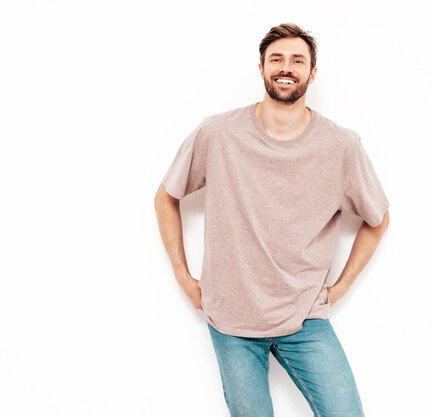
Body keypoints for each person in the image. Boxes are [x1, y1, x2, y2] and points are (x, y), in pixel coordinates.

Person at [154, 22, 390, 417]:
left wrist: (341, 287)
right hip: (232, 320)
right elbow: (167, 195)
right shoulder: (219, 133)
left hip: (305, 318)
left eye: (298, 60)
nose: (287, 67)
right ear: (261, 68)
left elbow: (377, 219)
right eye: (276, 59)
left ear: (312, 73)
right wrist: (183, 274)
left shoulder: (341, 146)